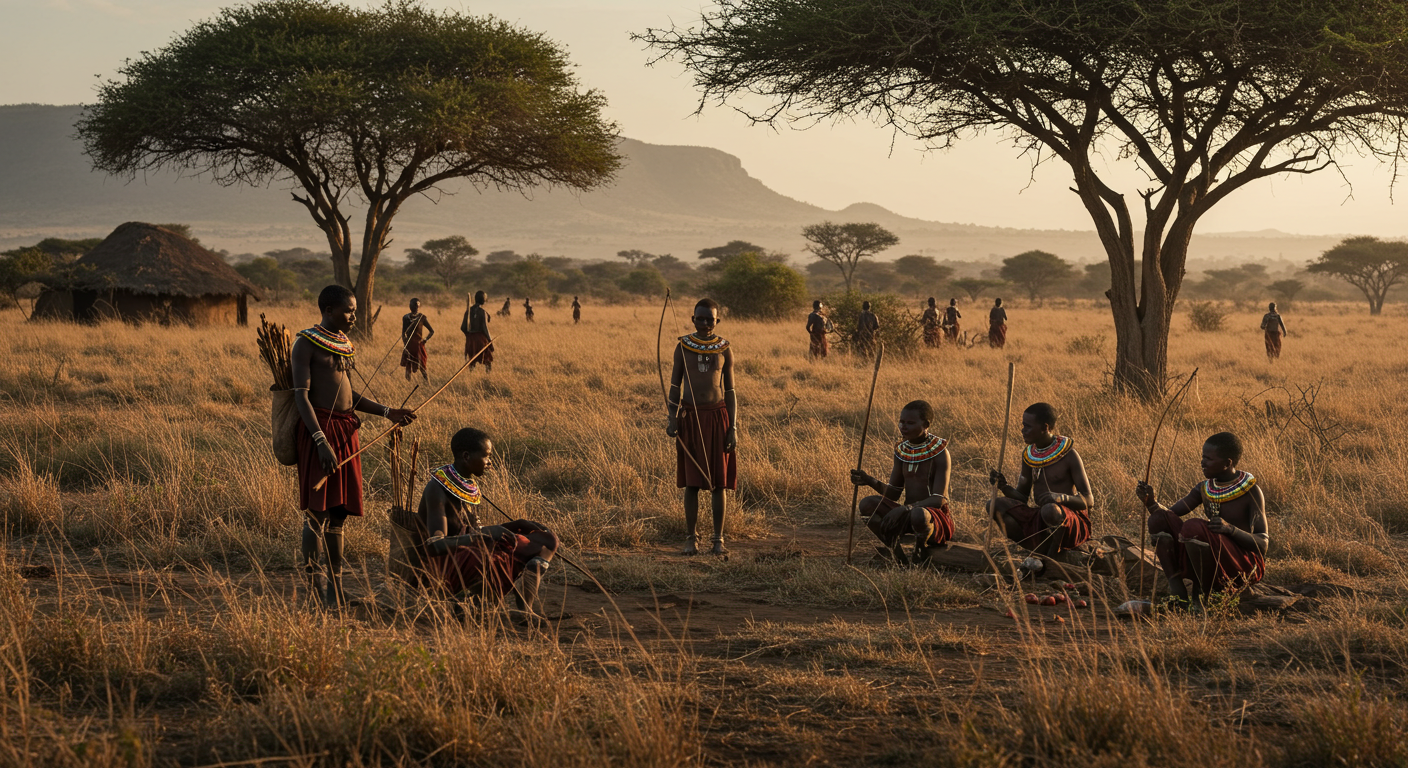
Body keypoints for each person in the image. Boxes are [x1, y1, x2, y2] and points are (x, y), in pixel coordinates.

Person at [291, 285, 416, 606]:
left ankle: (335, 589)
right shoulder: (305, 343)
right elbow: (301, 396)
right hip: (319, 433)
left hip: (346, 432)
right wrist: (320, 440)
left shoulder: (344, 345)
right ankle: (313, 590)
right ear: (329, 310)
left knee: (338, 515)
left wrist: (389, 412)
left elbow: (351, 396)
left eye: (355, 310)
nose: (354, 316)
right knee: (316, 515)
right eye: (349, 310)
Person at [420, 427, 559, 624]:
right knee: (494, 551)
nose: (490, 462)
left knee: (545, 541)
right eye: (486, 456)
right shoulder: (438, 489)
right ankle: (468, 601)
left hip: (469, 550)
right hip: (448, 563)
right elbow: (435, 545)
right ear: (466, 456)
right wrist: (482, 536)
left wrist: (515, 525)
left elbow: (471, 531)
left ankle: (525, 608)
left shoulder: (464, 482)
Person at [1136, 432, 1267, 610]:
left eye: (1208, 458)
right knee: (1159, 519)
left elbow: (1263, 543)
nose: (1202, 462)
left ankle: (1203, 595)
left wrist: (1230, 530)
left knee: (1194, 527)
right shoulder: (1204, 488)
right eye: (1202, 457)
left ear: (1227, 463)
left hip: (1241, 562)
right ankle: (1179, 595)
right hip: (1214, 553)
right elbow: (1170, 516)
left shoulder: (1251, 491)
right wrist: (1151, 503)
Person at [667, 298, 738, 556]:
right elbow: (675, 385)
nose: (706, 323)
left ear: (717, 321)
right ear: (693, 319)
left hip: (718, 418)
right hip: (690, 417)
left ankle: (718, 539)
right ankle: (691, 538)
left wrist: (734, 427)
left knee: (719, 483)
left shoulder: (724, 349)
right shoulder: (683, 347)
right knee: (692, 483)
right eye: (701, 318)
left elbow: (729, 390)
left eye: (711, 319)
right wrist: (672, 417)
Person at [850, 400, 954, 566]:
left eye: (910, 423)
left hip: (933, 519)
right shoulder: (901, 450)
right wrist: (869, 480)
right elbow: (894, 493)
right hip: (908, 515)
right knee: (868, 504)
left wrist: (907, 508)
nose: (903, 427)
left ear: (926, 424)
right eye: (901, 422)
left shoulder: (940, 452)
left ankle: (921, 551)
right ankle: (896, 552)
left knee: (918, 513)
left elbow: (939, 499)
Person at [987, 402, 1093, 559]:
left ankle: (1054, 556)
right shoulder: (1030, 456)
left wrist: (1060, 498)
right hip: (1043, 518)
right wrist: (1004, 486)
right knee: (994, 505)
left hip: (1069, 522)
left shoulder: (1069, 456)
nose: (1023, 431)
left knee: (1050, 509)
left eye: (1028, 426)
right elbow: (1022, 498)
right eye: (1023, 425)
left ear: (1045, 428)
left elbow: (1089, 500)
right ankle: (1039, 548)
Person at [400, 298, 434, 382]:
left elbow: (431, 331)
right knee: (408, 365)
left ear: (419, 306)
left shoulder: (422, 318)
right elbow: (403, 333)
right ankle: (408, 384)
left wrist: (425, 340)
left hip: (419, 345)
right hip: (409, 345)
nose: (415, 307)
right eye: (413, 305)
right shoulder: (406, 318)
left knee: (422, 365)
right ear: (410, 306)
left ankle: (427, 383)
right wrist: (405, 343)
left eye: (417, 305)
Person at [460, 290, 494, 373]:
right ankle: (488, 377)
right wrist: (490, 341)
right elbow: (485, 328)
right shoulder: (482, 312)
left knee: (472, 360)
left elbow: (462, 327)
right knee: (487, 360)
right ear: (483, 300)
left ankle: (471, 377)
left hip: (470, 339)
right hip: (480, 339)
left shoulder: (468, 311)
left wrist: (469, 335)